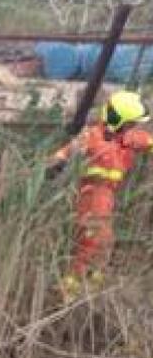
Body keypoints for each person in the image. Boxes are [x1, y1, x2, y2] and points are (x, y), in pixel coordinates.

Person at [49, 89, 153, 300]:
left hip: (107, 196)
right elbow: (66, 152)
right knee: (94, 241)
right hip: (92, 193)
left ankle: (91, 290)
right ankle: (69, 292)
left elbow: (148, 141)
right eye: (132, 123)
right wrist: (55, 164)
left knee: (104, 243)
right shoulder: (91, 137)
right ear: (121, 121)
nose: (135, 127)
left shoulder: (130, 138)